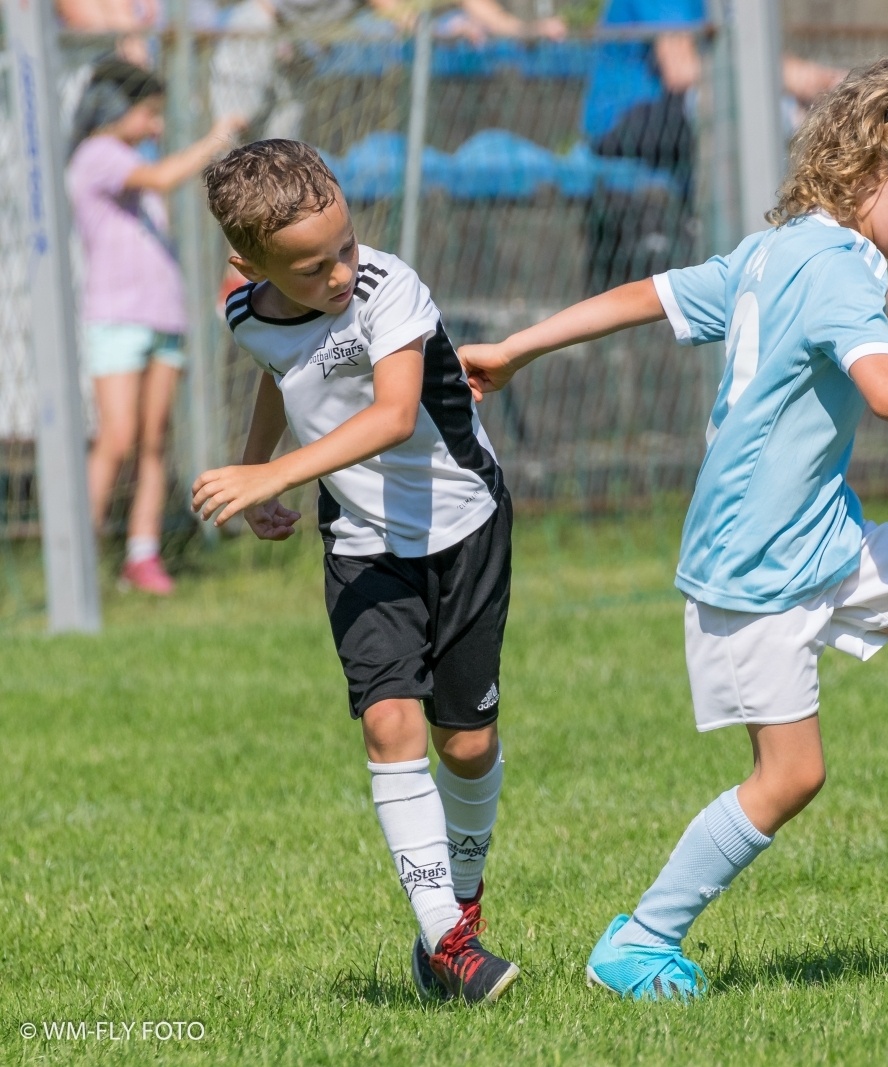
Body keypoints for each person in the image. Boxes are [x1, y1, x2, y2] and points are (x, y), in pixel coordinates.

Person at [461, 48, 888, 1000]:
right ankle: (639, 942)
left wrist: (520, 347)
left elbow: (648, 294)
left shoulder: (777, 249)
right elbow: (884, 389)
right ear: (872, 169)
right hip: (753, 562)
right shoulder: (833, 271)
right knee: (789, 777)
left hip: (826, 532)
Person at [191, 139, 519, 1004]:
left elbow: (393, 414)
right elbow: (280, 372)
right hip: (362, 542)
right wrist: (258, 464)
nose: (338, 274)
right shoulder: (245, 312)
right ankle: (446, 939)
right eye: (309, 268)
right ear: (248, 263)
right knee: (388, 728)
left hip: (464, 527)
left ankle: (464, 905)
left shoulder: (388, 285)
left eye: (343, 247)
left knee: (469, 742)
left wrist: (273, 473)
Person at [67, 58, 245, 595]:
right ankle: (76, 555)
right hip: (117, 317)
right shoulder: (98, 155)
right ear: (115, 109)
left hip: (162, 313)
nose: (156, 127)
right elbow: (166, 175)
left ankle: (141, 555)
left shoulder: (127, 159)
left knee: (154, 441)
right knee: (117, 437)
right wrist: (215, 139)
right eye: (148, 114)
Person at [580, 0, 844, 294]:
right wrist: (792, 76)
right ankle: (768, 256)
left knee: (805, 113)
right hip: (627, 123)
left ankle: (834, 256)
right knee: (752, 104)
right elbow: (681, 70)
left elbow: (747, 55)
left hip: (676, 120)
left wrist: (814, 82)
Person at [210, 0, 563, 142]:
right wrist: (440, 29)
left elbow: (485, 13)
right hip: (258, 32)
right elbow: (402, 16)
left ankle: (244, 284)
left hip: (298, 51)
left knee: (275, 157)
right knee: (231, 140)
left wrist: (532, 30)